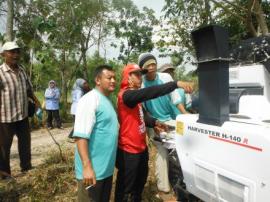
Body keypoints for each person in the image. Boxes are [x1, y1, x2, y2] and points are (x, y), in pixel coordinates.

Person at [115, 64, 193, 202]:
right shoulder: (126, 95)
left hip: (140, 147)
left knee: (139, 183)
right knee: (126, 188)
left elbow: (143, 116)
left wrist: (155, 123)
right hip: (128, 150)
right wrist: (175, 84)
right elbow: (151, 92)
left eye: (141, 74)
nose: (141, 77)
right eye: (137, 74)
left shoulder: (135, 99)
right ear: (128, 78)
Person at [138, 53, 191, 197]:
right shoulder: (141, 84)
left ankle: (184, 182)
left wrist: (185, 114)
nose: (151, 67)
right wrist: (154, 124)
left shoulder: (165, 78)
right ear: (142, 69)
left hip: (169, 119)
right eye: (147, 65)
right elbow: (143, 110)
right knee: (162, 151)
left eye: (153, 64)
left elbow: (175, 100)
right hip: (153, 122)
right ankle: (163, 188)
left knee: (181, 147)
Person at [73, 65, 118, 202]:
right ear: (98, 80)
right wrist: (87, 167)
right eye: (109, 78)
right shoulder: (90, 100)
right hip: (92, 172)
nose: (113, 81)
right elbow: (80, 136)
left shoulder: (107, 100)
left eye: (114, 78)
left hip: (105, 171)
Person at [0, 41, 40, 178]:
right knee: (4, 147)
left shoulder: (22, 70)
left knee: (25, 143)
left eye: (17, 51)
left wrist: (36, 100)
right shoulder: (0, 72)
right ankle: (4, 173)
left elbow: (28, 89)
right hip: (5, 117)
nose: (15, 54)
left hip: (22, 115)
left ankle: (26, 167)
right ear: (3, 54)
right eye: (12, 52)